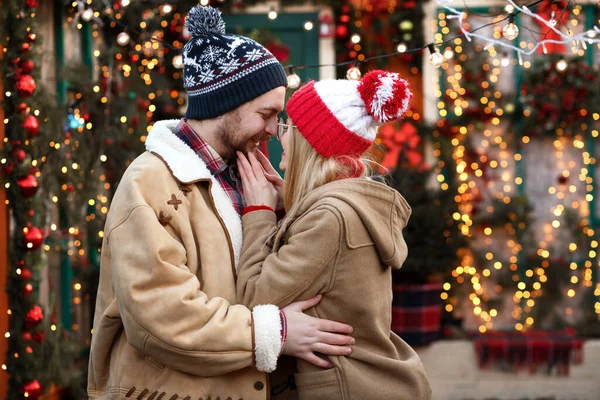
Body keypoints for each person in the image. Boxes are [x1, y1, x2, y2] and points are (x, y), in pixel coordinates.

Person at [87, 6, 354, 400]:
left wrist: (285, 209)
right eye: (266, 114)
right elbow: (162, 317)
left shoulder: (247, 174)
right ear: (224, 103)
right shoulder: (149, 183)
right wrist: (274, 333)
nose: (272, 131)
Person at [236, 70, 432, 399]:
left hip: (348, 390)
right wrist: (291, 205)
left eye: (287, 127)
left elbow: (254, 299)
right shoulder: (345, 207)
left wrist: (259, 214)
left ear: (309, 142)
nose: (279, 135)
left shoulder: (330, 218)